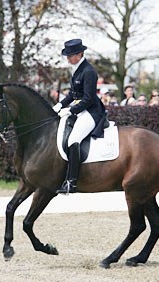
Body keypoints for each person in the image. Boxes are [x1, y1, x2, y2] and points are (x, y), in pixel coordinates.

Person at [53, 38, 106, 194]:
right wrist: (60, 105)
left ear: (80, 53)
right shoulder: (76, 68)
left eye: (70, 55)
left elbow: (88, 99)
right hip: (80, 109)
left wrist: (70, 110)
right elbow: (73, 94)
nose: (68, 59)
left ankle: (71, 182)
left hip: (91, 111)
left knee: (73, 140)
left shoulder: (89, 71)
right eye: (67, 56)